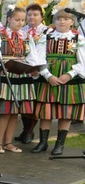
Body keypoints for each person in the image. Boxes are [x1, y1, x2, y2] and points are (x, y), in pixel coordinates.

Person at [31, 9, 85, 155]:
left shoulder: (78, 38)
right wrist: (48, 76)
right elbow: (39, 58)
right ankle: (43, 142)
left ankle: (59, 144)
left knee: (65, 112)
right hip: (50, 76)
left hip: (69, 78)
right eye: (58, 19)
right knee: (46, 111)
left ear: (72, 22)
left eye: (66, 19)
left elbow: (83, 61)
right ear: (54, 21)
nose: (62, 21)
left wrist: (70, 74)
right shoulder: (46, 37)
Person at [0, 7, 37, 153]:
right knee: (5, 111)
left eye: (23, 20)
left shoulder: (27, 37)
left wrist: (33, 67)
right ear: (9, 19)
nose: (20, 23)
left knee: (15, 111)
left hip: (22, 76)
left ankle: (8, 142)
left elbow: (32, 55)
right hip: (7, 74)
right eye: (17, 19)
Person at [16, 3, 50, 144]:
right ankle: (25, 129)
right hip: (25, 69)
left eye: (35, 14)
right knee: (25, 102)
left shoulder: (47, 31)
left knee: (36, 103)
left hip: (40, 70)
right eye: (29, 14)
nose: (32, 17)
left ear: (42, 17)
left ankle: (29, 131)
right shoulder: (23, 30)